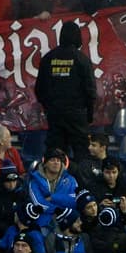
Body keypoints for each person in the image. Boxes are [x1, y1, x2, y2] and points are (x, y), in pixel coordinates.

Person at [35, 21, 98, 158]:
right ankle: (80, 179)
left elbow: (39, 89)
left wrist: (49, 108)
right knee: (81, 154)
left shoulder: (48, 58)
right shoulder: (82, 59)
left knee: (55, 155)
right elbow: (90, 90)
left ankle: (54, 179)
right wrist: (89, 115)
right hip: (77, 116)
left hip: (55, 115)